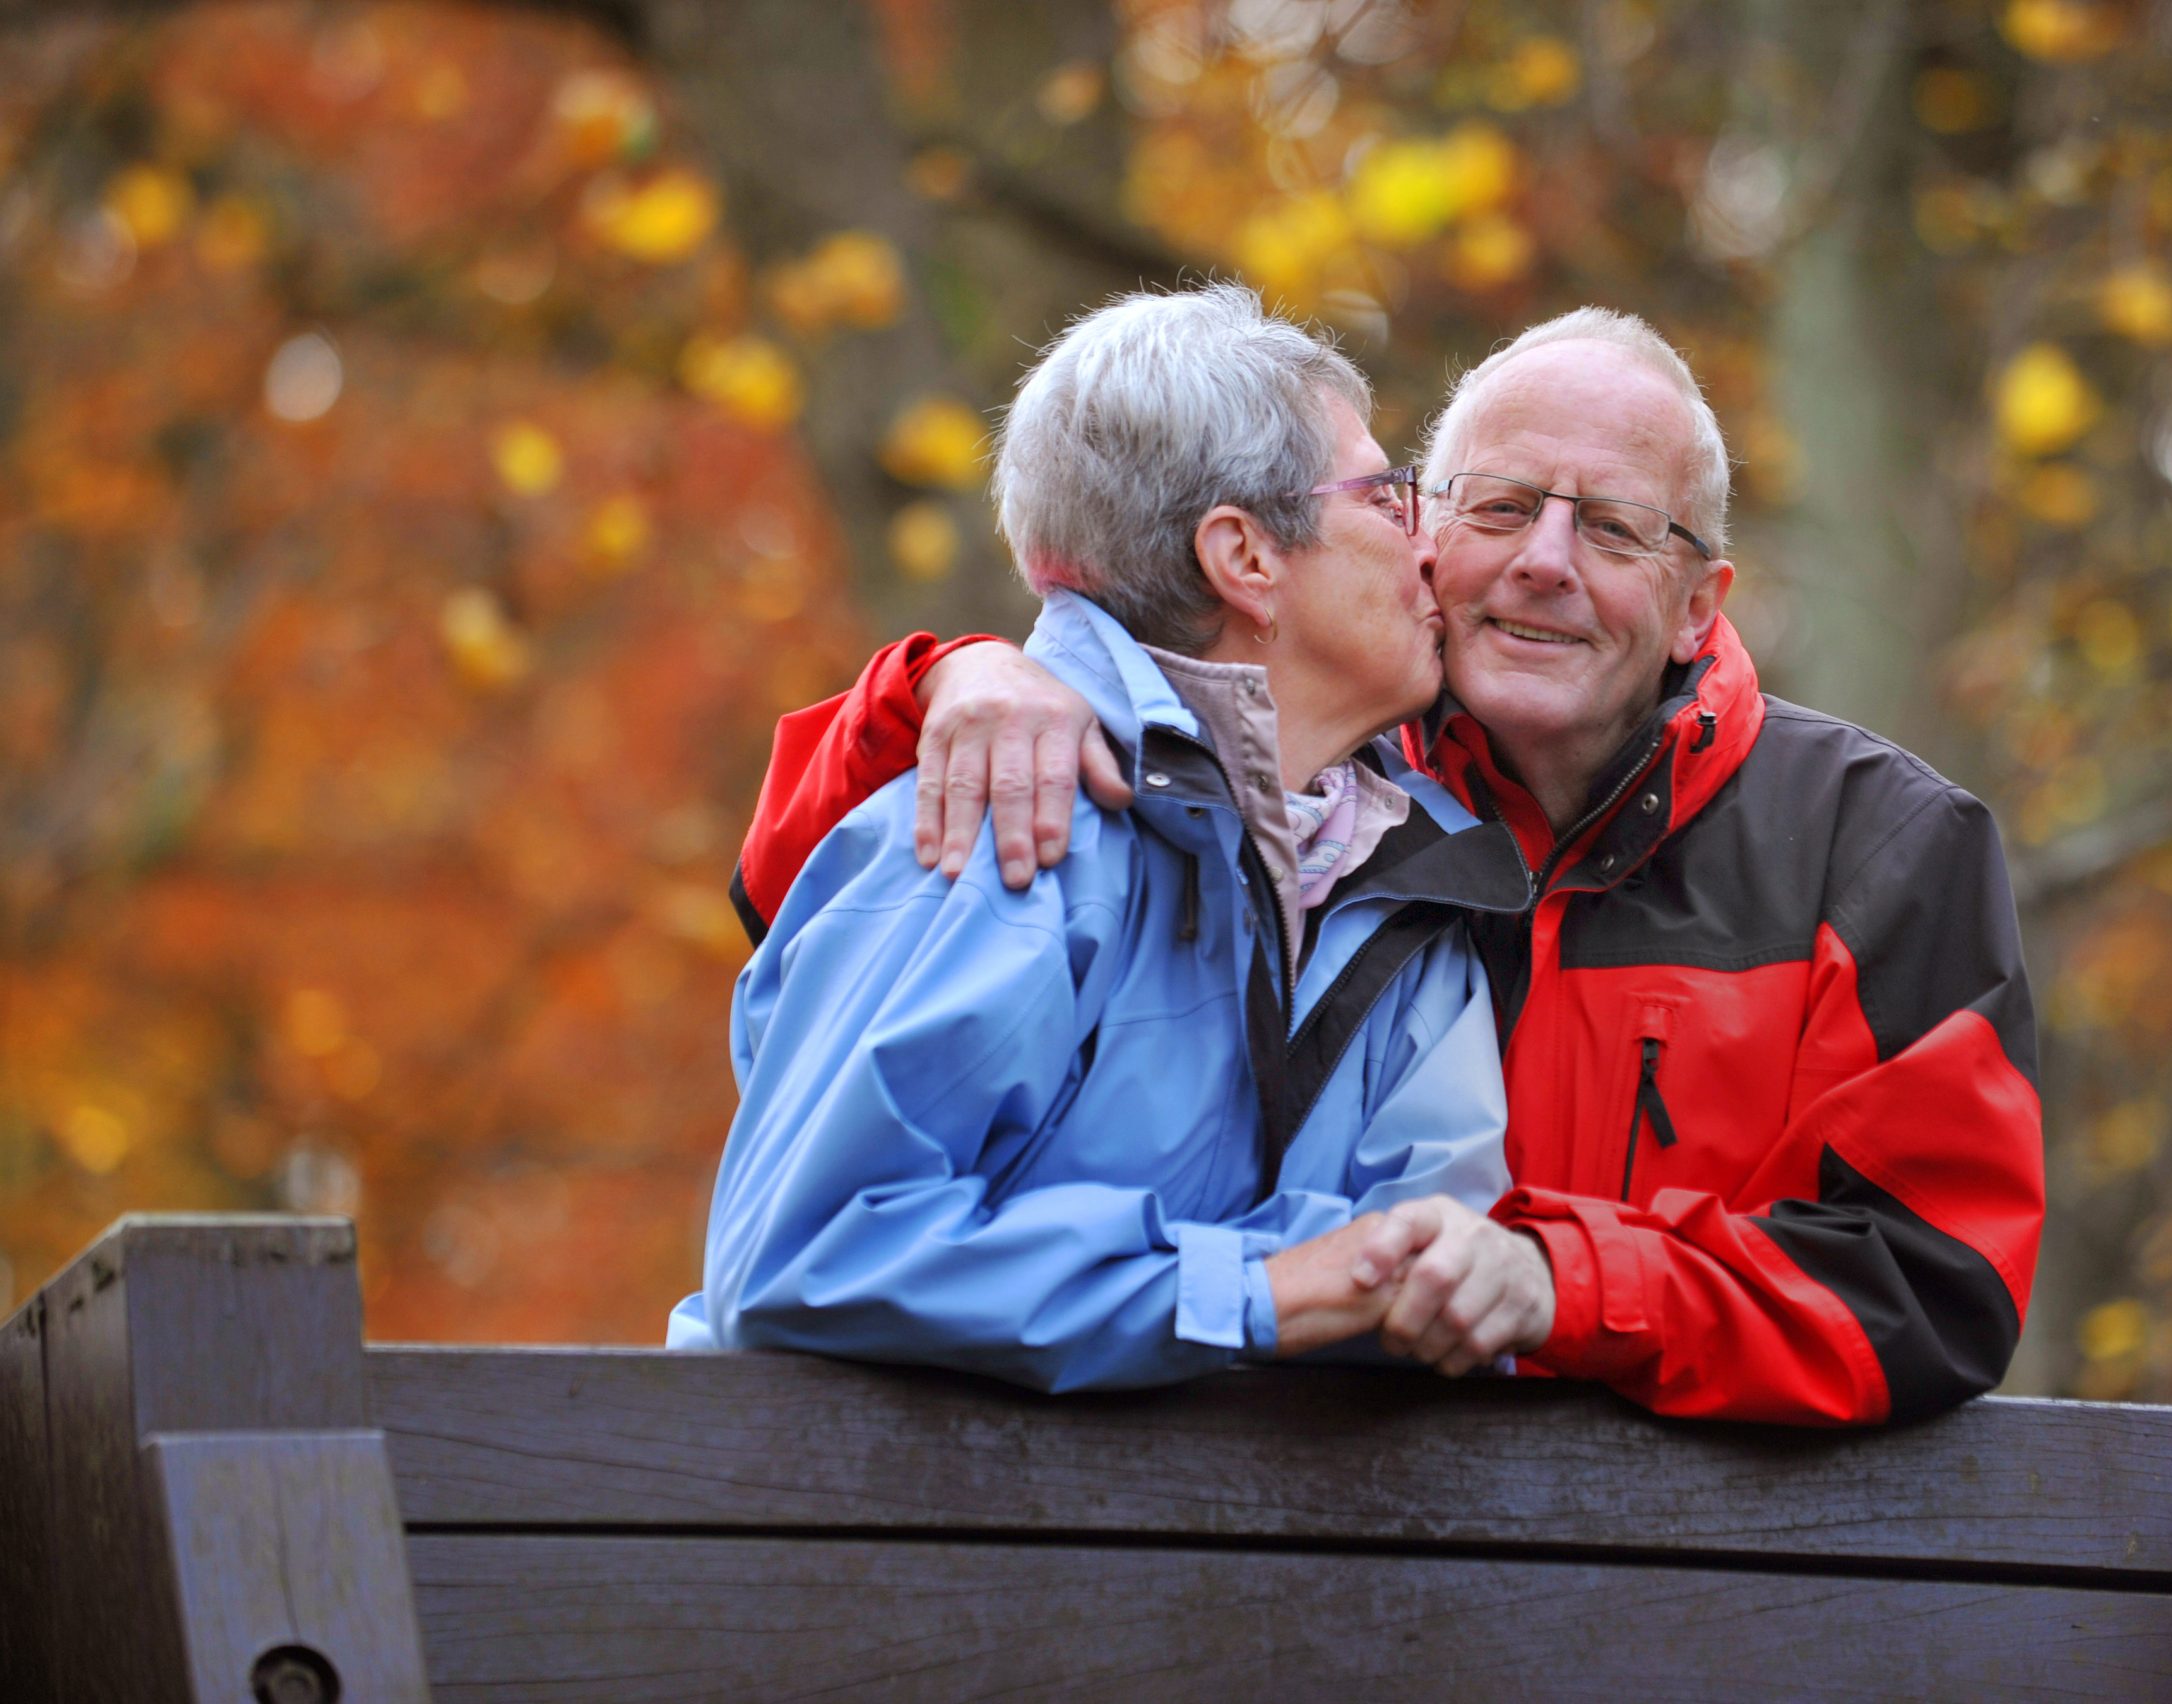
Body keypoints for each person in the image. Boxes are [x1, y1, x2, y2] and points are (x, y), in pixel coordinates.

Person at [735, 307, 2045, 1425]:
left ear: (1703, 600)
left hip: (1708, 1593)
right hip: (1258, 1572)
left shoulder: (1880, 847)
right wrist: (941, 683)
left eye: (1612, 530)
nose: (1542, 562)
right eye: (1497, 506)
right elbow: (811, 898)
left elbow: (1933, 1288)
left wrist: (1560, 1285)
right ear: (1429, 538)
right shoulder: (1316, 797)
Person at [670, 285, 1533, 1392]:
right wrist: (1258, 1292)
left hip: (1223, 1552)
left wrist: (1465, 1280)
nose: (1430, 552)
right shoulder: (1006, 813)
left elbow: (1414, 1267)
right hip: (878, 1551)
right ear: (1246, 558)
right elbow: (803, 1257)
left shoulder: (1411, 879)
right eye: (1386, 497)